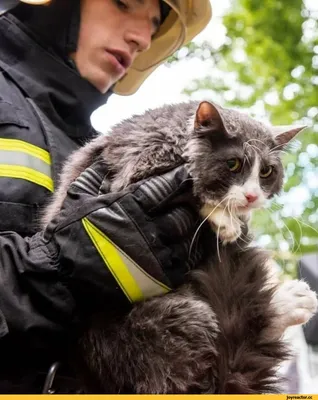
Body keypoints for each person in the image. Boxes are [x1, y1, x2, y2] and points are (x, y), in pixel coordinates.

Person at [0, 0, 212, 393]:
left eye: (153, 25)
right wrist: (65, 270)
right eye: (124, 2)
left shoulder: (100, 150)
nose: (143, 38)